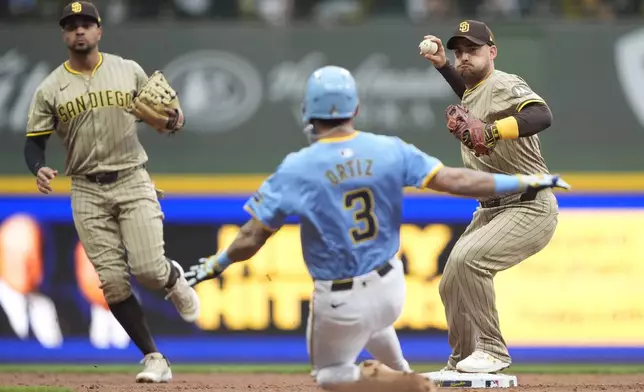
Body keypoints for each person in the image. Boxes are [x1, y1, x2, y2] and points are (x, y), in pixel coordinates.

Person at [184, 65, 569, 390]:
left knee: (330, 375)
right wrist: (527, 180)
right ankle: (445, 363)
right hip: (389, 289)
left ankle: (414, 378)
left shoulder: (297, 168)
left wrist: (215, 264)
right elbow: (457, 181)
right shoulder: (388, 149)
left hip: (338, 301)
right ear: (355, 108)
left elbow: (251, 236)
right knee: (451, 277)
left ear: (306, 112)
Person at [23, 1, 199, 383]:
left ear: (100, 31)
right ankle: (154, 357)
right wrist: (39, 168)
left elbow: (174, 120)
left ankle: (173, 279)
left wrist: (172, 119)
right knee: (113, 282)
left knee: (150, 271)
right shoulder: (51, 88)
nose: (80, 31)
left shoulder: (127, 71)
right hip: (86, 189)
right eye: (72, 26)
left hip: (132, 179)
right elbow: (34, 143)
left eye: (87, 24)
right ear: (64, 35)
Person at [420, 20, 560, 374]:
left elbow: (541, 115)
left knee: (469, 261)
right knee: (453, 278)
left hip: (529, 205)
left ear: (492, 52)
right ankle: (462, 360)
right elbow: (471, 93)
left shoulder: (504, 83)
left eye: (474, 50)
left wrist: (494, 130)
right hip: (494, 209)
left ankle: (493, 351)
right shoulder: (477, 89)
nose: (464, 57)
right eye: (460, 51)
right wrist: (442, 66)